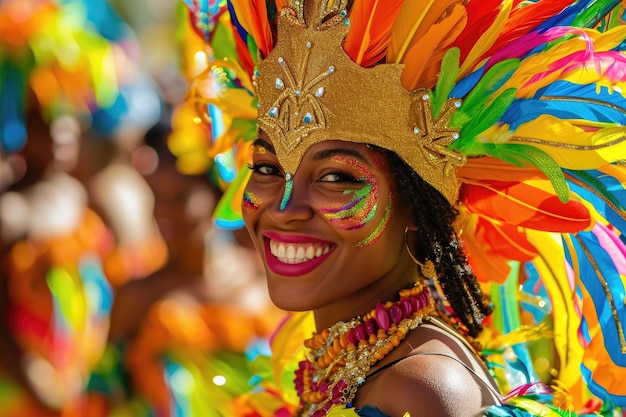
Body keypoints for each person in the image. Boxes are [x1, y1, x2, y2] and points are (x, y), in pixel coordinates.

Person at [181, 0, 626, 416]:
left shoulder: (419, 387)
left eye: (337, 177)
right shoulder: (367, 363)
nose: (283, 208)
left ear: (419, 204)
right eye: (266, 168)